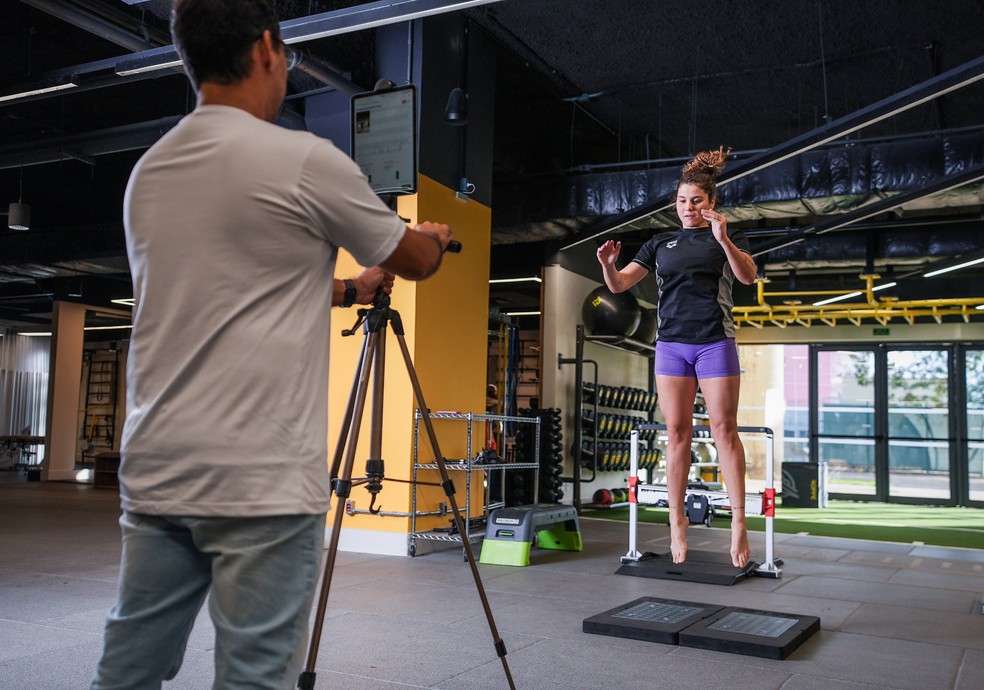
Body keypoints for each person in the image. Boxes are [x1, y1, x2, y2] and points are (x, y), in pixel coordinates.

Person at [90, 1, 453, 688]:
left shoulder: (150, 172)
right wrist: (431, 240)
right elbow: (412, 260)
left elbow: (232, 288)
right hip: (260, 482)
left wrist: (347, 290)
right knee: (256, 677)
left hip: (159, 471)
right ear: (266, 49)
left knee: (128, 670)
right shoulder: (303, 160)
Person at [596, 147, 757, 568]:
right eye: (683, 201)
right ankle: (676, 522)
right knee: (677, 432)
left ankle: (738, 522)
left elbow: (747, 276)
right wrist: (609, 267)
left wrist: (723, 240)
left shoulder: (726, 238)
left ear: (711, 203)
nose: (688, 208)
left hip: (714, 342)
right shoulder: (657, 243)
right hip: (671, 346)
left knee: (724, 430)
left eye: (697, 201)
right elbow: (619, 285)